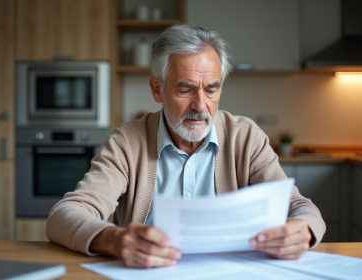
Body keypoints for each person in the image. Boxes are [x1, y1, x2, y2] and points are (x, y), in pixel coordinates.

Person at [46, 24, 325, 268]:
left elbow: (301, 207)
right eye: (185, 89)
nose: (200, 106)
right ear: (157, 89)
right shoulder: (126, 143)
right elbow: (64, 216)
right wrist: (113, 239)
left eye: (211, 90)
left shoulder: (246, 137)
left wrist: (302, 230)